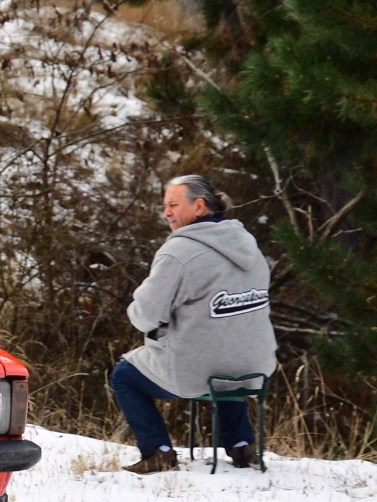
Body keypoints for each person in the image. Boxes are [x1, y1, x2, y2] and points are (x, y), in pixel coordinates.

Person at [112, 175, 277, 474]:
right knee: (224, 344)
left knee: (124, 375)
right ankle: (242, 445)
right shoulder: (247, 244)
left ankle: (157, 450)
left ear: (199, 206)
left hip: (196, 371)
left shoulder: (179, 252)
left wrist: (146, 311)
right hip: (255, 365)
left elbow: (145, 316)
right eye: (165, 206)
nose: (167, 213)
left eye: (173, 204)